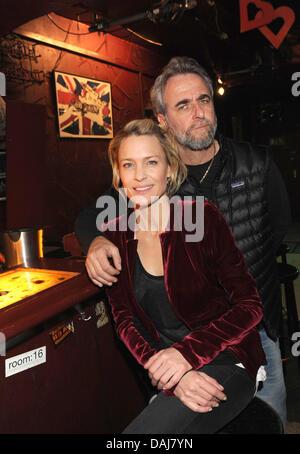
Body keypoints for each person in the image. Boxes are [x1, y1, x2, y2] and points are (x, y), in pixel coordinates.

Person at [75, 56, 291, 427]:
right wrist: (95, 241)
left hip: (252, 330)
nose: (199, 112)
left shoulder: (254, 162)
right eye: (183, 104)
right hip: (173, 355)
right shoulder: (145, 187)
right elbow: (90, 217)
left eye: (204, 100)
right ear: (163, 120)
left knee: (269, 418)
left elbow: (280, 228)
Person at [99, 117, 265, 434]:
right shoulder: (115, 234)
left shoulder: (201, 217)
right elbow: (124, 321)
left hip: (225, 356)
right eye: (128, 164)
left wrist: (187, 355)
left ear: (169, 169)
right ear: (118, 174)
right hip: (167, 368)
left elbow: (250, 304)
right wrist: (172, 370)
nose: (140, 175)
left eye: (151, 162)